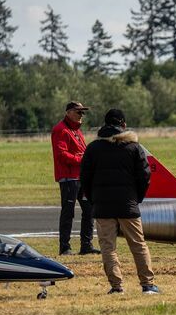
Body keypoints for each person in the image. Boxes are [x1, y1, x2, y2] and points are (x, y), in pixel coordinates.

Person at [80, 109, 159, 295]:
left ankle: (116, 286)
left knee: (108, 248)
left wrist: (93, 200)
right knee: (138, 245)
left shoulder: (93, 148)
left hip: (102, 206)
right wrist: (136, 198)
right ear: (123, 125)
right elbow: (145, 175)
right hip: (128, 205)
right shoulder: (133, 148)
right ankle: (147, 284)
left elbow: (84, 178)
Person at [51, 101, 100, 256]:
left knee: (89, 209)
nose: (81, 115)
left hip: (80, 177)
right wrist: (82, 160)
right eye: (78, 112)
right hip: (68, 178)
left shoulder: (76, 131)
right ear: (69, 112)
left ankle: (86, 245)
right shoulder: (61, 130)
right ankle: (64, 247)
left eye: (82, 112)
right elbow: (61, 155)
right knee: (68, 212)